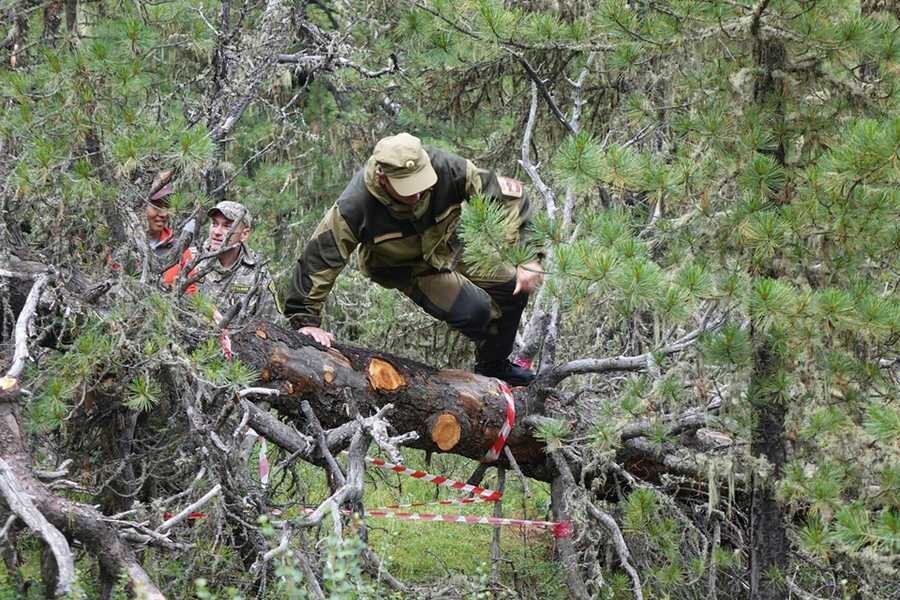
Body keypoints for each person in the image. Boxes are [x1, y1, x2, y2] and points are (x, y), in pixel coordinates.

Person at [284, 132, 543, 386]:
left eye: (422, 183)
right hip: (403, 266)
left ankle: (495, 368)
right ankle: (482, 375)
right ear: (383, 178)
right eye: (408, 188)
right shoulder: (356, 204)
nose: (418, 194)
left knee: (512, 286)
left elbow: (508, 196)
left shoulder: (447, 167)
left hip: (448, 245)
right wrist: (306, 321)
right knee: (476, 311)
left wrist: (528, 255)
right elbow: (320, 258)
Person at [164, 200, 279, 324]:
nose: (217, 232)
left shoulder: (258, 274)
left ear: (244, 234)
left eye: (227, 226)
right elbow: (163, 304)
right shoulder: (189, 259)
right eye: (214, 224)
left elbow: (273, 326)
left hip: (237, 341)